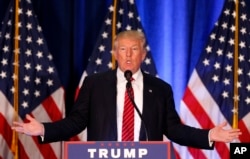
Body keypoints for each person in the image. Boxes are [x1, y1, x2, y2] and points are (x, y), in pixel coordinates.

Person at [12, 30, 241, 149]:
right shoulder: (95, 84)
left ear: (143, 55)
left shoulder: (160, 89)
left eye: (134, 49)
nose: (128, 54)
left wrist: (210, 135)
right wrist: (43, 129)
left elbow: (173, 130)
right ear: (115, 54)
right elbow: (75, 122)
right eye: (123, 49)